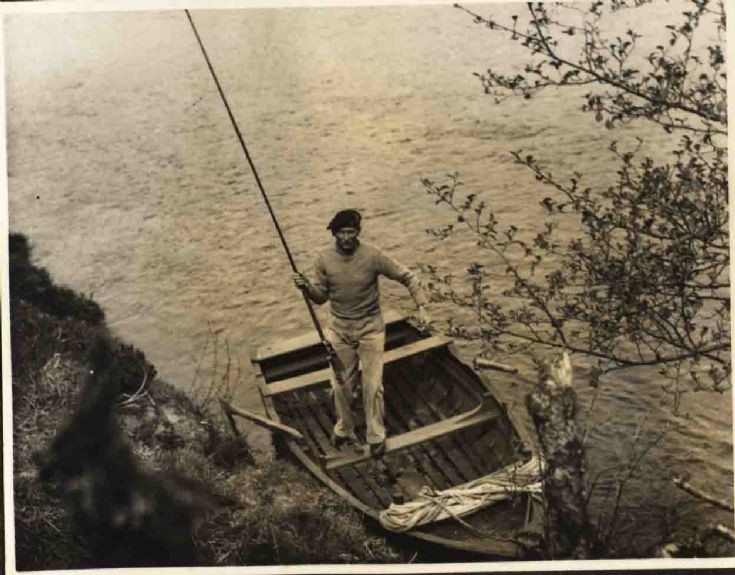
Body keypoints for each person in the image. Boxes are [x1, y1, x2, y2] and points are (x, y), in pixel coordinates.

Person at [293, 209, 430, 456]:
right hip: (341, 330)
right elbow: (321, 298)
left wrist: (421, 307)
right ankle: (344, 427)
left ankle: (375, 434)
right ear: (334, 234)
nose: (347, 237)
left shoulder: (373, 255)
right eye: (342, 233)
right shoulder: (323, 259)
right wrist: (306, 288)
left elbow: (408, 277)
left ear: (358, 233)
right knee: (340, 386)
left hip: (371, 330)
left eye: (351, 232)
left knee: (373, 386)